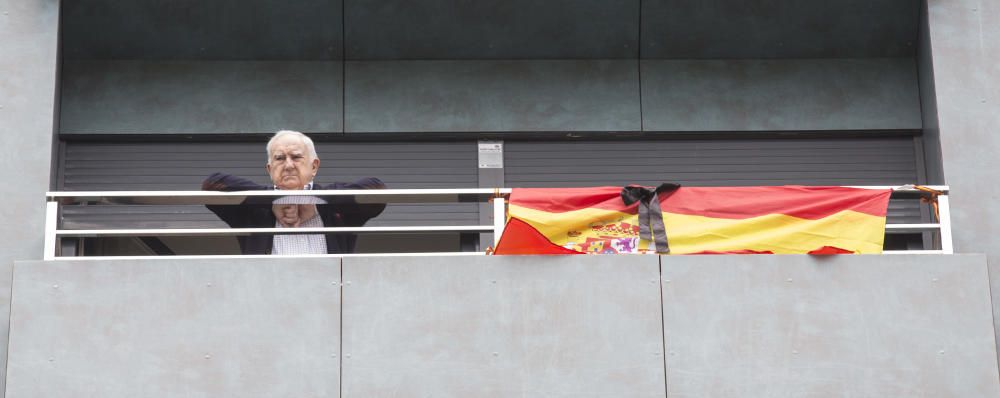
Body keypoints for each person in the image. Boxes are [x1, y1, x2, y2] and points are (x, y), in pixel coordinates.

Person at [202, 130, 386, 254]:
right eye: (280, 158)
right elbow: (212, 186)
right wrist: (274, 201)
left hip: (329, 302)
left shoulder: (335, 208)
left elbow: (377, 191)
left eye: (296, 157)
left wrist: (313, 202)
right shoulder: (254, 209)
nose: (288, 165)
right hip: (268, 302)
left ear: (314, 166)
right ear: (269, 169)